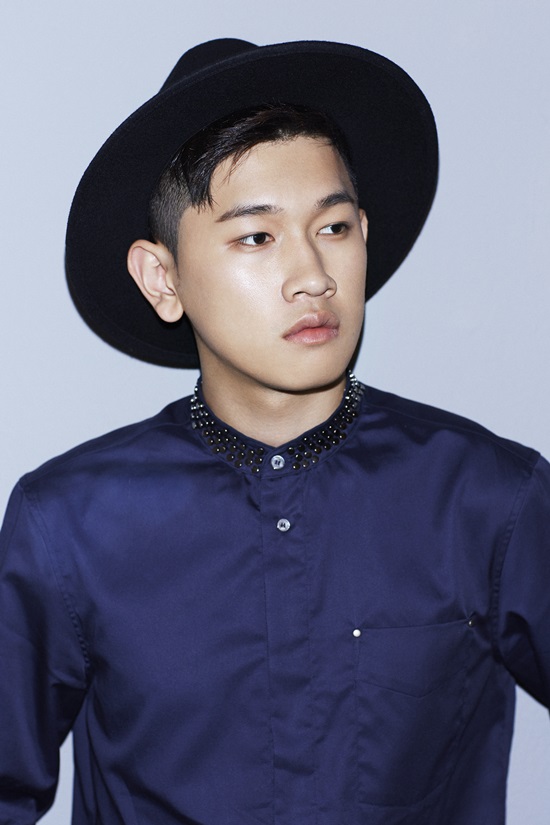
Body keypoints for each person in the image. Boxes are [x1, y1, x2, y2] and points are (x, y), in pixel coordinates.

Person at [0, 37, 548, 825]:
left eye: (334, 228)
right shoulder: (70, 524)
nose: (313, 276)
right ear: (163, 278)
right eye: (257, 237)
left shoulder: (489, 498)